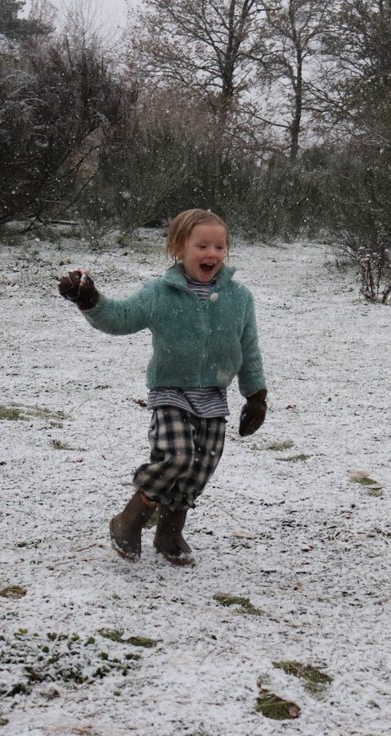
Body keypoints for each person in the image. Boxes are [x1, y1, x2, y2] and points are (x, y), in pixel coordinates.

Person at [57, 209, 267, 566]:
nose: (211, 254)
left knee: (200, 468)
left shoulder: (239, 298)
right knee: (177, 458)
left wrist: (256, 396)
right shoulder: (160, 293)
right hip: (171, 392)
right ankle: (129, 520)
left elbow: (248, 348)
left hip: (214, 398)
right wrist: (89, 300)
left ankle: (169, 531)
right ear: (178, 248)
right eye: (202, 245)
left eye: (219, 246)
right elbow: (120, 319)